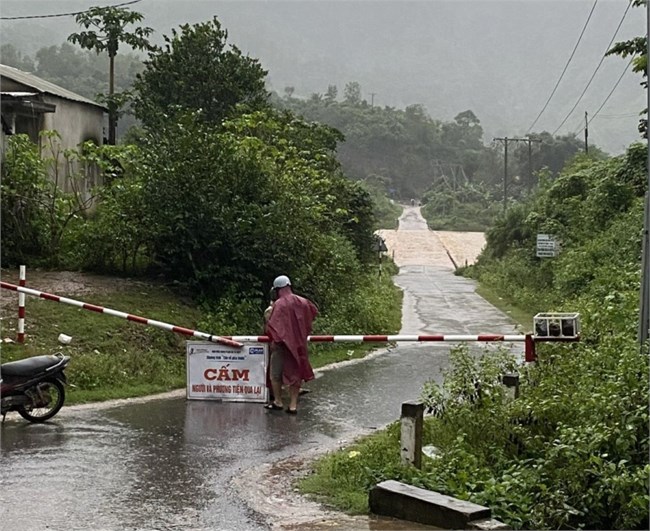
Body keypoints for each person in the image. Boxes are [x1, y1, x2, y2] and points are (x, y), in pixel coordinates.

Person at [263, 275, 318, 415]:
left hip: (281, 346)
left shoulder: (278, 305)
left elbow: (272, 327)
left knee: (275, 374)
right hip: (299, 344)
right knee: (296, 373)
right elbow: (312, 315)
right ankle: (293, 405)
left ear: (277, 289)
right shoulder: (304, 301)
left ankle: (278, 401)